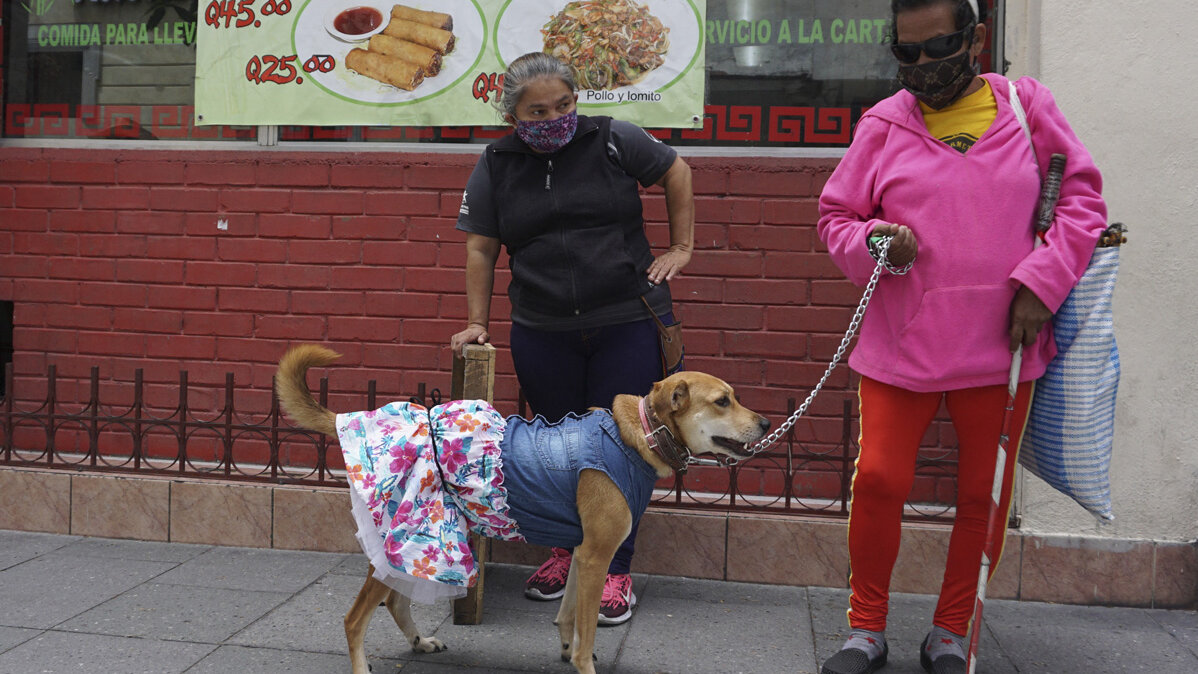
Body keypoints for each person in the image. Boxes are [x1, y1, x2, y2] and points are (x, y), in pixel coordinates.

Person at [816, 1, 1106, 673]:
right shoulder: (882, 125)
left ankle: (953, 630)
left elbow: (1082, 200)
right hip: (901, 345)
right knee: (881, 480)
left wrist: (1043, 282)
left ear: (976, 39)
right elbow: (837, 216)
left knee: (984, 493)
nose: (922, 67)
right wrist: (873, 240)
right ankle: (865, 628)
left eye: (938, 47)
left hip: (1004, 344)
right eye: (906, 54)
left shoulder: (1028, 109)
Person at [450, 51, 694, 626]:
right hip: (542, 330)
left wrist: (682, 247)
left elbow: (675, 171)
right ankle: (566, 552)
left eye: (564, 104)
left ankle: (614, 570)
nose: (555, 117)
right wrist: (478, 319)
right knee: (555, 453)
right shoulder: (496, 161)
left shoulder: (612, 139)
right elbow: (480, 246)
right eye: (538, 111)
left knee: (625, 448)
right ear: (513, 113)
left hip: (625, 322)